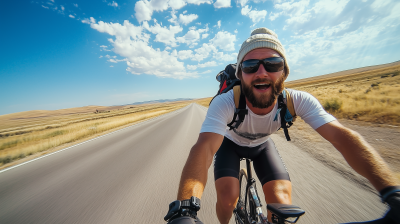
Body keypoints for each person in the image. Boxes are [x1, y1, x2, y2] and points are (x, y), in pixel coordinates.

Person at [164, 28, 400, 224]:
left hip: (261, 146)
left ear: (285, 72)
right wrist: (185, 210)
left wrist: (392, 191)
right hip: (231, 145)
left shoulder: (297, 101)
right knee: (228, 198)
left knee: (282, 204)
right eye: (250, 66)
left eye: (273, 64)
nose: (262, 72)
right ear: (240, 73)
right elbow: (204, 149)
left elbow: (342, 138)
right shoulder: (226, 102)